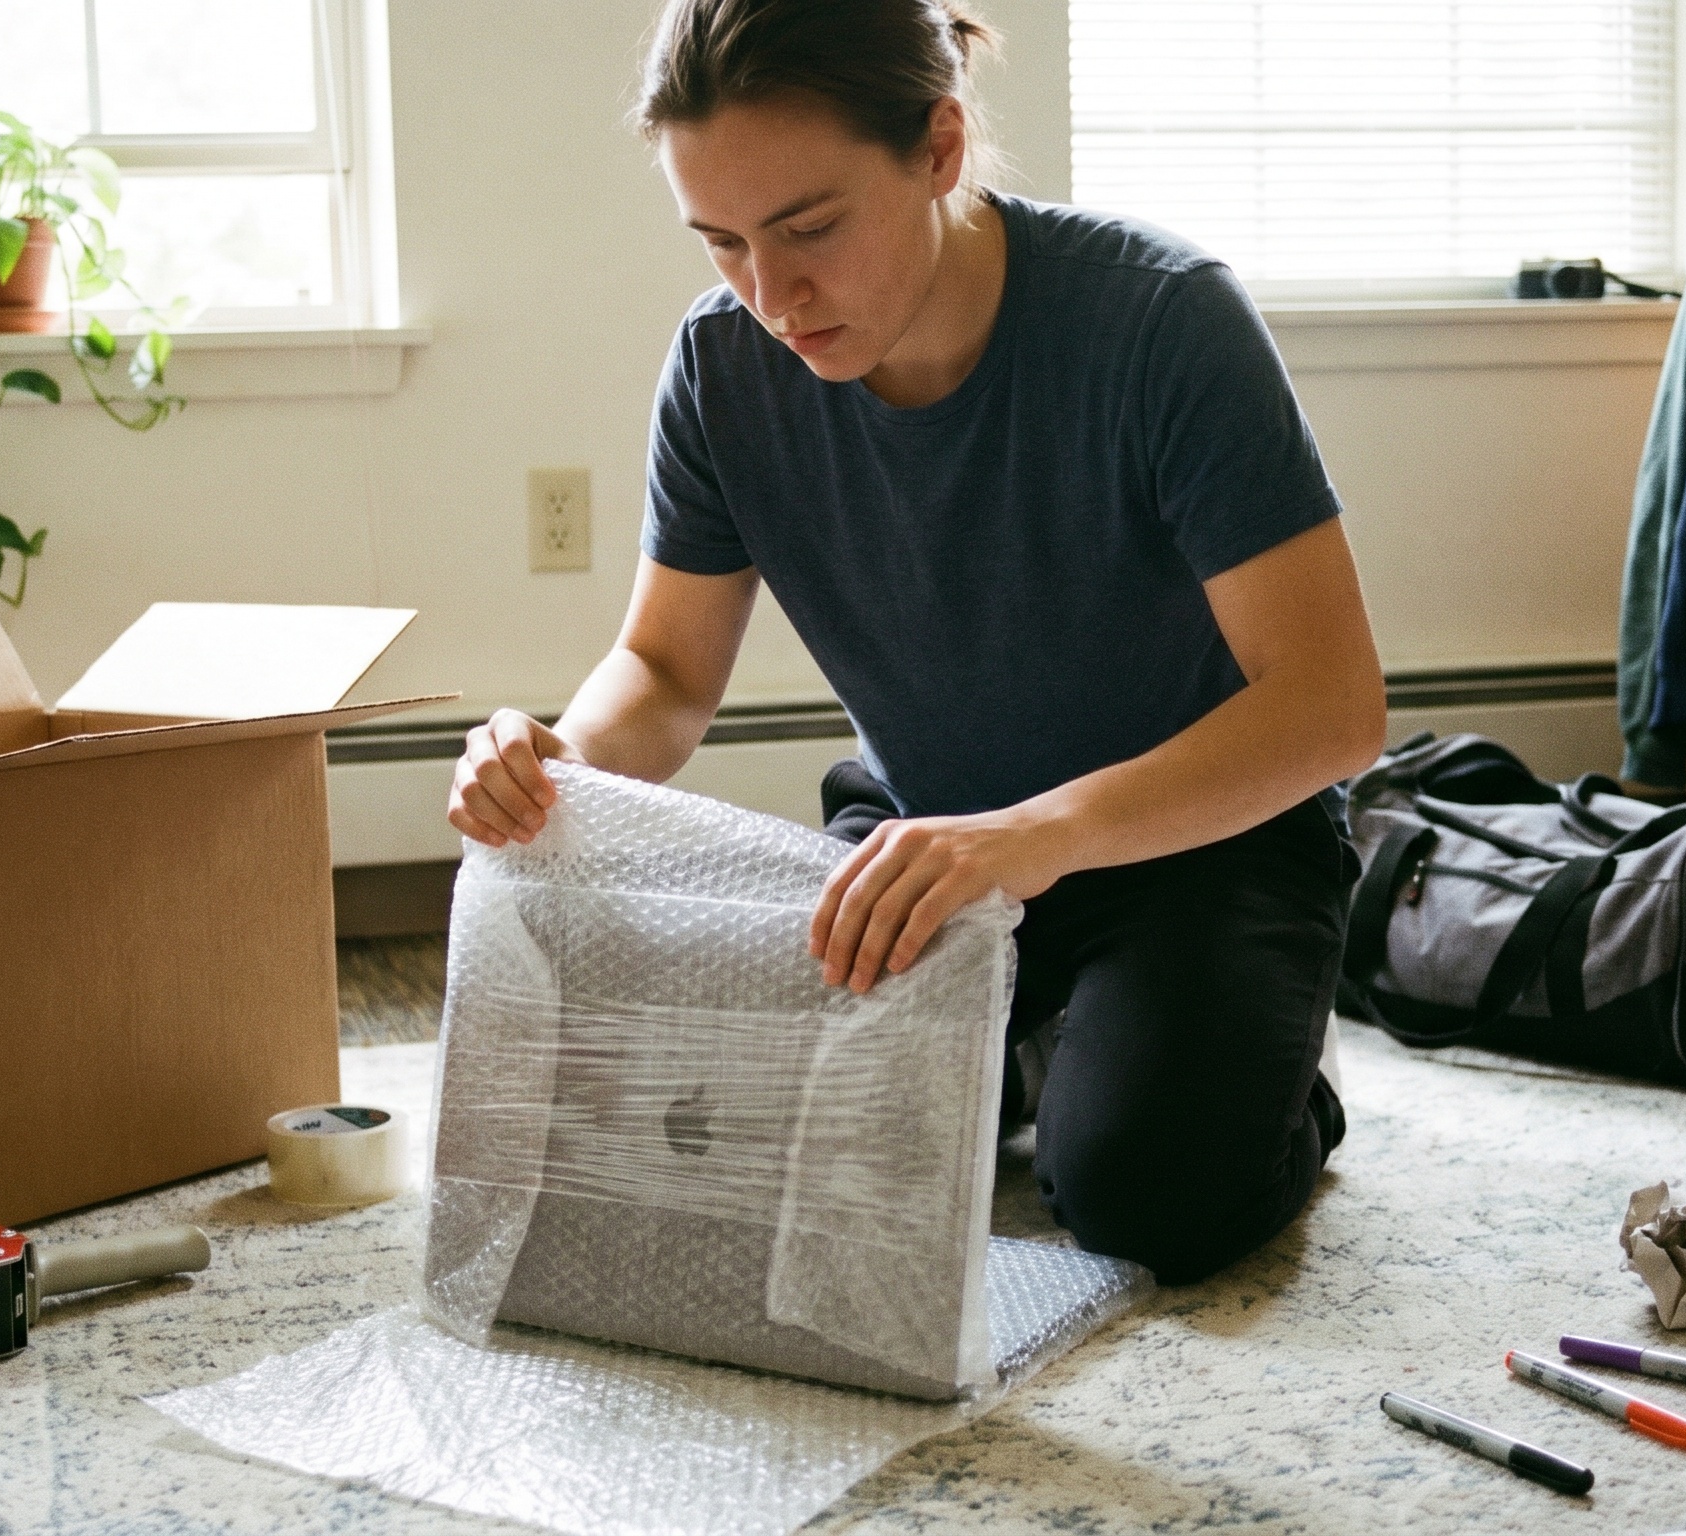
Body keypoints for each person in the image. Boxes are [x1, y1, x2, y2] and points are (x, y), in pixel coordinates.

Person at [446, 0, 1385, 1286]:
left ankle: (1265, 1061)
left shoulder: (1163, 321)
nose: (771, 295)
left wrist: (1037, 838)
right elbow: (662, 674)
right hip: (920, 845)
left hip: (1196, 843)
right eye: (721, 243)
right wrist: (556, 755)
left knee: (1145, 1195)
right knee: (755, 1149)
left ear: (939, 147)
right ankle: (1035, 1044)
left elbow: (1331, 706)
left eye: (809, 228)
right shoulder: (723, 370)